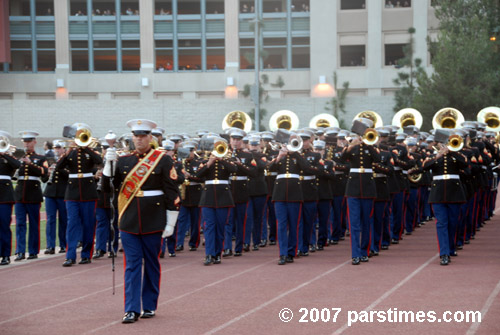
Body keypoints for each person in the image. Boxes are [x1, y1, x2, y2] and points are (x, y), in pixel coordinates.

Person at [102, 119, 180, 323]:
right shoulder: (124, 160)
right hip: (129, 218)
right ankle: (131, 309)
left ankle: (150, 305)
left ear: (150, 137)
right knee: (132, 265)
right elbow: (108, 188)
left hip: (154, 218)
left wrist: (171, 221)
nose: (139, 139)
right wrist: (108, 167)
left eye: (143, 135)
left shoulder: (162, 160)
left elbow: (172, 192)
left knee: (152, 263)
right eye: (136, 135)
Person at [56, 123, 103, 267]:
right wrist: (68, 151)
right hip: (72, 192)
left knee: (88, 224)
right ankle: (70, 256)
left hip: (88, 191)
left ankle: (86, 254)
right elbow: (59, 167)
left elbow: (100, 161)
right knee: (72, 224)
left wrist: (87, 148)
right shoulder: (71, 153)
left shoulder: (90, 152)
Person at [422, 131, 468, 265]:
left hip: (454, 193)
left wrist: (452, 151)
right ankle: (444, 253)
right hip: (438, 193)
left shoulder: (458, 156)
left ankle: (451, 247)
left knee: (453, 222)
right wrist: (438, 156)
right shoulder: (433, 156)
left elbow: (465, 164)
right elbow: (424, 167)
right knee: (441, 223)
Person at [196, 137, 237, 265]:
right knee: (209, 227)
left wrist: (221, 159)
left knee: (220, 227)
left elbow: (234, 170)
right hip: (208, 197)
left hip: (223, 196)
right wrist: (209, 162)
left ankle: (217, 253)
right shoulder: (205, 161)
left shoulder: (228, 160)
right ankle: (209, 254)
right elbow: (198, 175)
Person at [14, 131, 49, 261]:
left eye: (29, 141)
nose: (26, 144)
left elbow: (44, 172)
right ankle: (20, 251)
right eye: (25, 141)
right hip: (20, 193)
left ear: (34, 142)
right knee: (20, 224)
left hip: (33, 193)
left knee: (34, 224)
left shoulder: (40, 158)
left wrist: (30, 163)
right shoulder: (17, 158)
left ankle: (33, 251)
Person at [43, 140, 68, 255]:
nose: (57, 150)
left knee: (63, 220)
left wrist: (58, 168)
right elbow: (43, 179)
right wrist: (47, 173)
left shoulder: (67, 161)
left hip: (63, 193)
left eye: (59, 148)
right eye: (55, 148)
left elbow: (69, 175)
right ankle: (50, 246)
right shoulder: (49, 161)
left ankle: (63, 244)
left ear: (64, 149)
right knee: (50, 220)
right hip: (50, 193)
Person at [0, 131, 21, 265]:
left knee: (4, 226)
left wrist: (4, 154)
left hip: (5, 195)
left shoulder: (8, 158)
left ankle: (5, 255)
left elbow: (17, 165)